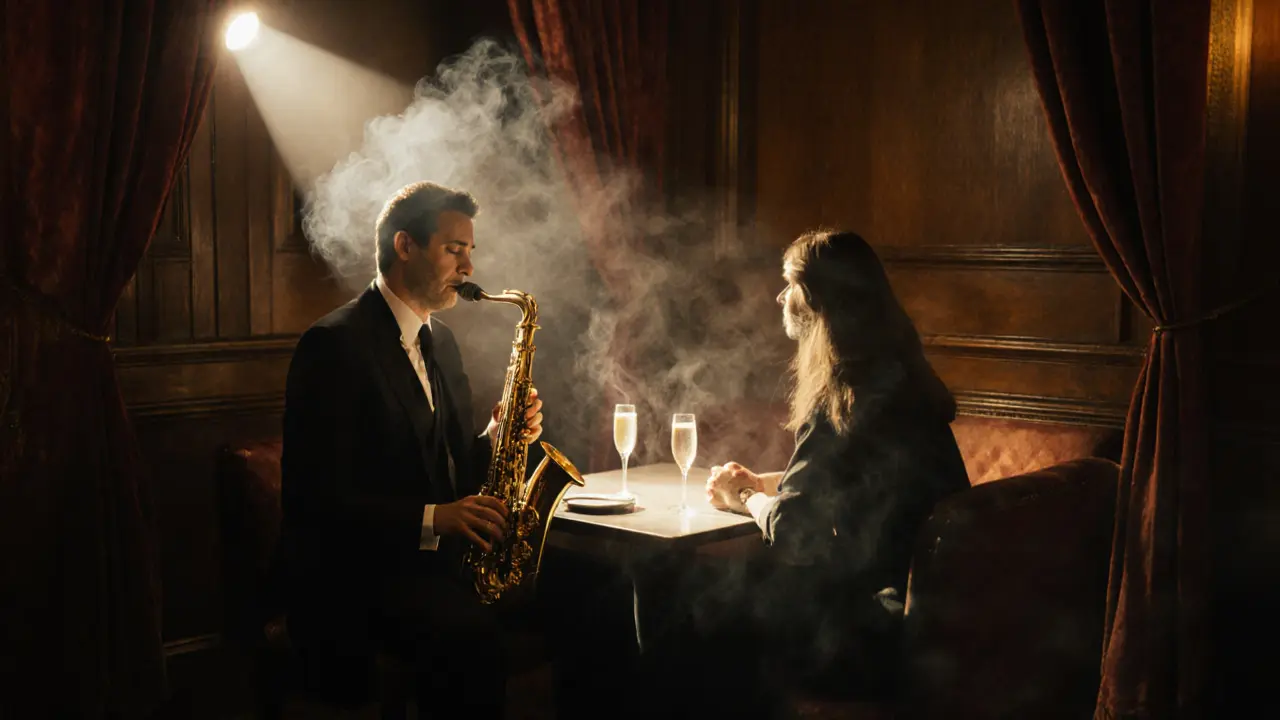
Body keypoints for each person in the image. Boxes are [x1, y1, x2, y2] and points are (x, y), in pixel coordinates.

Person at [632, 230, 970, 717]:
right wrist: (768, 483)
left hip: (870, 638)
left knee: (667, 577)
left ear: (814, 300)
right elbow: (848, 478)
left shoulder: (841, 393)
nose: (779, 296)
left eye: (788, 283)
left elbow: (795, 533)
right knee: (727, 591)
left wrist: (744, 496)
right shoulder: (900, 380)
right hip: (931, 629)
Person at [277, 181, 544, 718]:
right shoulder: (333, 345)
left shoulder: (440, 340)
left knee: (582, 592)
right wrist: (436, 519)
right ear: (405, 246)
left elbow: (456, 463)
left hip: (429, 569)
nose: (468, 266)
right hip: (355, 579)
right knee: (471, 641)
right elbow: (317, 502)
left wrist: (504, 435)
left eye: (471, 250)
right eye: (454, 249)